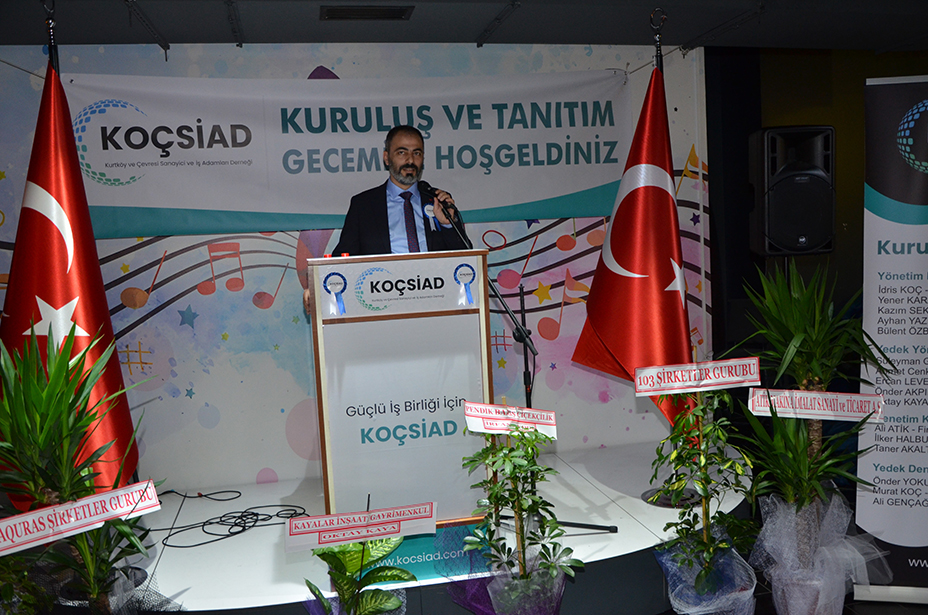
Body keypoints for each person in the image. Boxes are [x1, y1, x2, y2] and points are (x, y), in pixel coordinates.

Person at [331, 125, 470, 256]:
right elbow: (343, 257)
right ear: (387, 158)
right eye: (402, 153)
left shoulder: (437, 201)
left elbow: (466, 257)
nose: (410, 160)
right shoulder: (363, 205)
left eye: (417, 153)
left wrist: (447, 224)